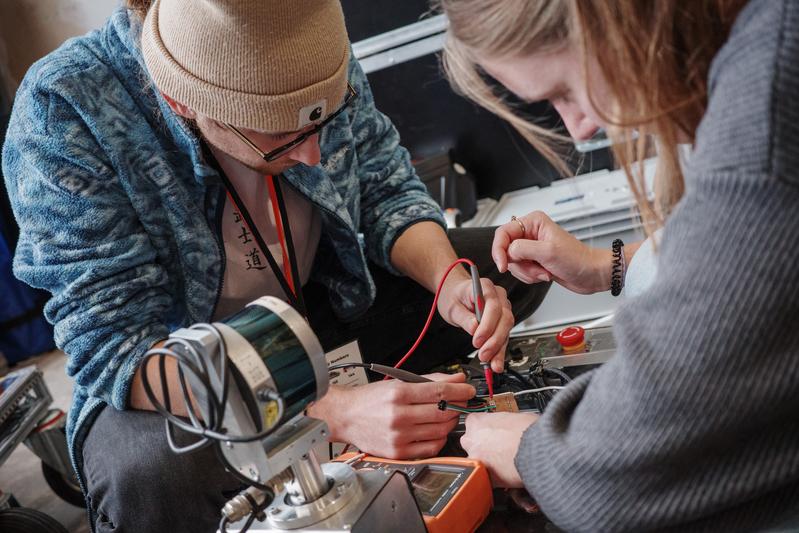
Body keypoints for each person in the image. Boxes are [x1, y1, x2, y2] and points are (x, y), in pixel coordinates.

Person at [1, 1, 549, 531]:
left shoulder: (304, 49)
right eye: (281, 137)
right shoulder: (64, 107)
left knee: (501, 267)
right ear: (184, 102)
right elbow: (115, 347)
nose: (313, 156)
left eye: (322, 123)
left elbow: (386, 190)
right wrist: (326, 411)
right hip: (184, 375)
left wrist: (449, 281)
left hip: (314, 312)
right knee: (149, 474)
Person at [440, 0, 799, 530]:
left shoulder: (766, 117)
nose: (580, 128)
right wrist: (608, 265)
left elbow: (614, 479)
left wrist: (531, 451)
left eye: (564, 91)